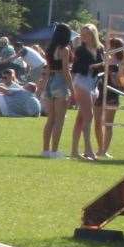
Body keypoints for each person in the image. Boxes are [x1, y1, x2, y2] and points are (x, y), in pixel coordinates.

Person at [69, 24, 105, 161]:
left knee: (81, 119)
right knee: (89, 117)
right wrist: (71, 90)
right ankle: (88, 149)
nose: (83, 36)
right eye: (82, 34)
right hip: (82, 82)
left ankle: (74, 151)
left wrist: (104, 65)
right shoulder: (80, 50)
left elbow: (102, 65)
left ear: (93, 34)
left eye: (87, 34)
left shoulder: (100, 48)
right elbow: (77, 69)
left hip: (94, 83)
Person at [38, 22, 74, 157]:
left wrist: (41, 88)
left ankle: (45, 149)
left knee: (50, 119)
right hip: (60, 82)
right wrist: (73, 90)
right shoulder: (65, 49)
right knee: (60, 120)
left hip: (50, 82)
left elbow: (47, 70)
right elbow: (66, 71)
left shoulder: (49, 48)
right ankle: (55, 150)